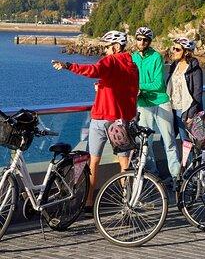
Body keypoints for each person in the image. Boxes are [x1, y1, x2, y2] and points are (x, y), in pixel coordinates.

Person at [52, 30, 139, 214]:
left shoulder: (111, 61)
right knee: (124, 163)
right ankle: (127, 201)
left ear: (115, 47)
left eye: (107, 47)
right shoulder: (132, 66)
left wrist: (68, 65)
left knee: (93, 161)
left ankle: (89, 200)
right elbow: (131, 92)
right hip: (121, 121)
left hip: (101, 118)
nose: (104, 51)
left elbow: (92, 70)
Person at [131, 27, 180, 184]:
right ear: (136, 39)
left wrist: (138, 87)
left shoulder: (156, 57)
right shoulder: (132, 58)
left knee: (169, 140)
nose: (142, 42)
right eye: (139, 39)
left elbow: (158, 84)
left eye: (145, 39)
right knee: (145, 143)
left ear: (149, 42)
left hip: (160, 102)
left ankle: (176, 177)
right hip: (143, 104)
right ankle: (153, 175)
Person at [166, 37, 203, 143]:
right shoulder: (174, 66)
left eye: (177, 49)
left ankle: (188, 160)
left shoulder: (194, 69)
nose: (174, 51)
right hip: (171, 108)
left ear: (186, 52)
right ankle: (176, 160)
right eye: (174, 48)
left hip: (184, 111)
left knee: (186, 140)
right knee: (167, 139)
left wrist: (191, 114)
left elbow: (197, 93)